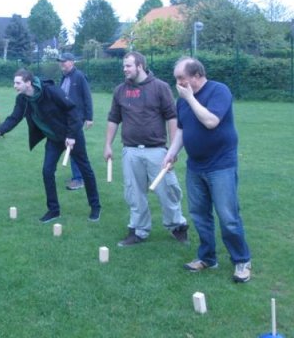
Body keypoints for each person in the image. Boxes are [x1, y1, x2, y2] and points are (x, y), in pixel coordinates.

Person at [163, 57, 252, 283]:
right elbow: (182, 131)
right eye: (176, 79)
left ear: (196, 75)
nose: (178, 83)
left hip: (221, 164)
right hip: (195, 165)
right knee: (200, 215)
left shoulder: (218, 91)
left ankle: (241, 260)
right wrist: (172, 152)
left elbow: (211, 121)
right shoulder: (182, 100)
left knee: (228, 216)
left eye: (181, 78)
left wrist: (191, 98)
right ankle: (207, 258)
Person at [0, 69, 101, 223]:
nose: (14, 86)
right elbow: (14, 118)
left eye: (17, 83)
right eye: (14, 82)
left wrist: (71, 135)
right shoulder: (23, 99)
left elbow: (72, 109)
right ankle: (54, 210)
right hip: (53, 139)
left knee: (85, 169)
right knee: (47, 171)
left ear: (28, 83)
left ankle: (95, 207)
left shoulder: (50, 91)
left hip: (71, 134)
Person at [104, 51, 188, 247]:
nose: (124, 69)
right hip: (130, 151)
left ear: (140, 66)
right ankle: (139, 231)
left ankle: (177, 226)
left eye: (128, 66)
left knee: (168, 190)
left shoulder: (160, 87)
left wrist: (172, 150)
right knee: (134, 193)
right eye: (124, 66)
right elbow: (113, 119)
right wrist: (108, 145)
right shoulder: (120, 90)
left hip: (157, 151)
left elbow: (172, 118)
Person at [57, 52, 93, 191]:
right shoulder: (64, 77)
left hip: (76, 118)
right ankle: (78, 176)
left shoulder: (79, 76)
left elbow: (87, 97)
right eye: (60, 61)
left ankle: (79, 179)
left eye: (64, 61)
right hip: (66, 118)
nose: (62, 63)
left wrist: (89, 117)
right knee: (72, 147)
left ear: (72, 62)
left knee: (75, 148)